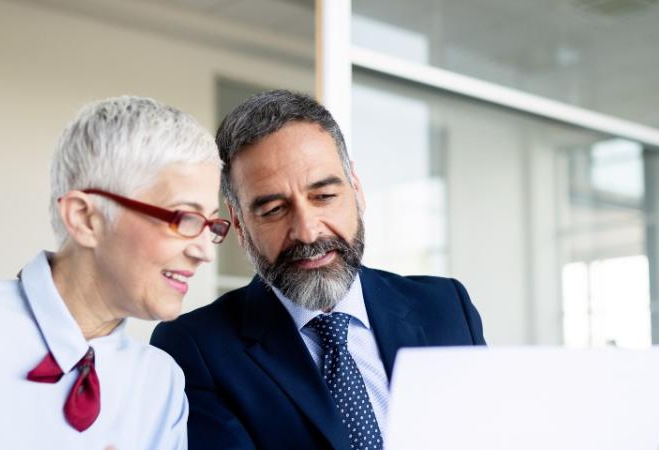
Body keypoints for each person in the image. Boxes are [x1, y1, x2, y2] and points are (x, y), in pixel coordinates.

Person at [0, 96, 230, 450]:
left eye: (210, 225)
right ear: (85, 218)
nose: (204, 251)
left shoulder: (160, 382)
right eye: (184, 218)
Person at [150, 90, 486, 450]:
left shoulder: (447, 306)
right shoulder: (195, 350)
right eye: (274, 209)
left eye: (324, 197)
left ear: (356, 191)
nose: (309, 231)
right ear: (240, 227)